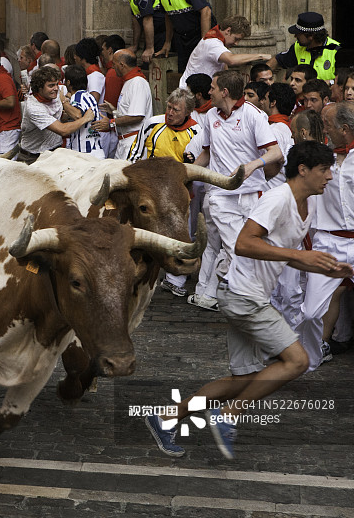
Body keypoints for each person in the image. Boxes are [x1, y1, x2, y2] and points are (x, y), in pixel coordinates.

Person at [145, 141, 350, 459]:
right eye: (324, 170)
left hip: (246, 295)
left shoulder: (306, 204)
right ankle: (229, 415)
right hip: (244, 297)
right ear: (303, 170)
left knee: (242, 381)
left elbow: (280, 254)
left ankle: (166, 418)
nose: (329, 177)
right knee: (298, 361)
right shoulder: (278, 199)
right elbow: (243, 243)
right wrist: (298, 254)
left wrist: (320, 264)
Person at [191, 70, 282, 305]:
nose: (208, 91)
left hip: (253, 193)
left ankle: (232, 293)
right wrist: (186, 172)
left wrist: (252, 166)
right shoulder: (211, 116)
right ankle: (240, 299)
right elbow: (207, 154)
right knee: (236, 247)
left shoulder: (254, 115)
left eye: (212, 87)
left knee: (249, 250)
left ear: (225, 92)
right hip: (221, 194)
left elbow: (275, 153)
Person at [297, 103, 354, 368]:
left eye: (328, 125)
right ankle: (316, 349)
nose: (324, 129)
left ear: (344, 129)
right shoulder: (322, 158)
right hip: (328, 241)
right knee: (309, 313)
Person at [131, 88, 200, 297]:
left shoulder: (197, 131)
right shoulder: (153, 123)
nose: (170, 113)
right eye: (169, 107)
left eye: (176, 110)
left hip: (179, 193)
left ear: (187, 112)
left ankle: (175, 278)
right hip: (149, 189)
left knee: (180, 231)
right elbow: (136, 151)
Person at [18, 65, 94, 163]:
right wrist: (85, 119)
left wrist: (66, 109)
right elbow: (62, 130)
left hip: (54, 154)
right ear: (39, 88)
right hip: (33, 157)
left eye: (56, 84)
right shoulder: (33, 107)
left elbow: (67, 116)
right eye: (51, 86)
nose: (56, 88)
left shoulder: (56, 95)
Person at [93, 49, 152, 161]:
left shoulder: (137, 82)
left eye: (114, 64)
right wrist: (114, 111)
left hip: (133, 142)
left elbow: (137, 116)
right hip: (125, 141)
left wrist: (110, 123)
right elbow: (130, 112)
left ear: (122, 65)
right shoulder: (129, 81)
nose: (113, 67)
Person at [179, 16, 270, 89]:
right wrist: (260, 56)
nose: (236, 43)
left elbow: (225, 70)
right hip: (190, 93)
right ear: (228, 31)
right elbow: (231, 60)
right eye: (236, 39)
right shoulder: (213, 43)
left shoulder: (217, 41)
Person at [268, 12, 339, 81]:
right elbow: (277, 60)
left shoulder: (336, 50)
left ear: (311, 36)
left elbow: (344, 80)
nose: (295, 36)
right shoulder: (297, 47)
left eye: (299, 33)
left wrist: (329, 83)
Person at [63, 65, 102, 157]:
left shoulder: (77, 96)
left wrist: (63, 101)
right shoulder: (89, 96)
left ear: (68, 82)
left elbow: (77, 115)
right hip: (96, 150)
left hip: (84, 153)